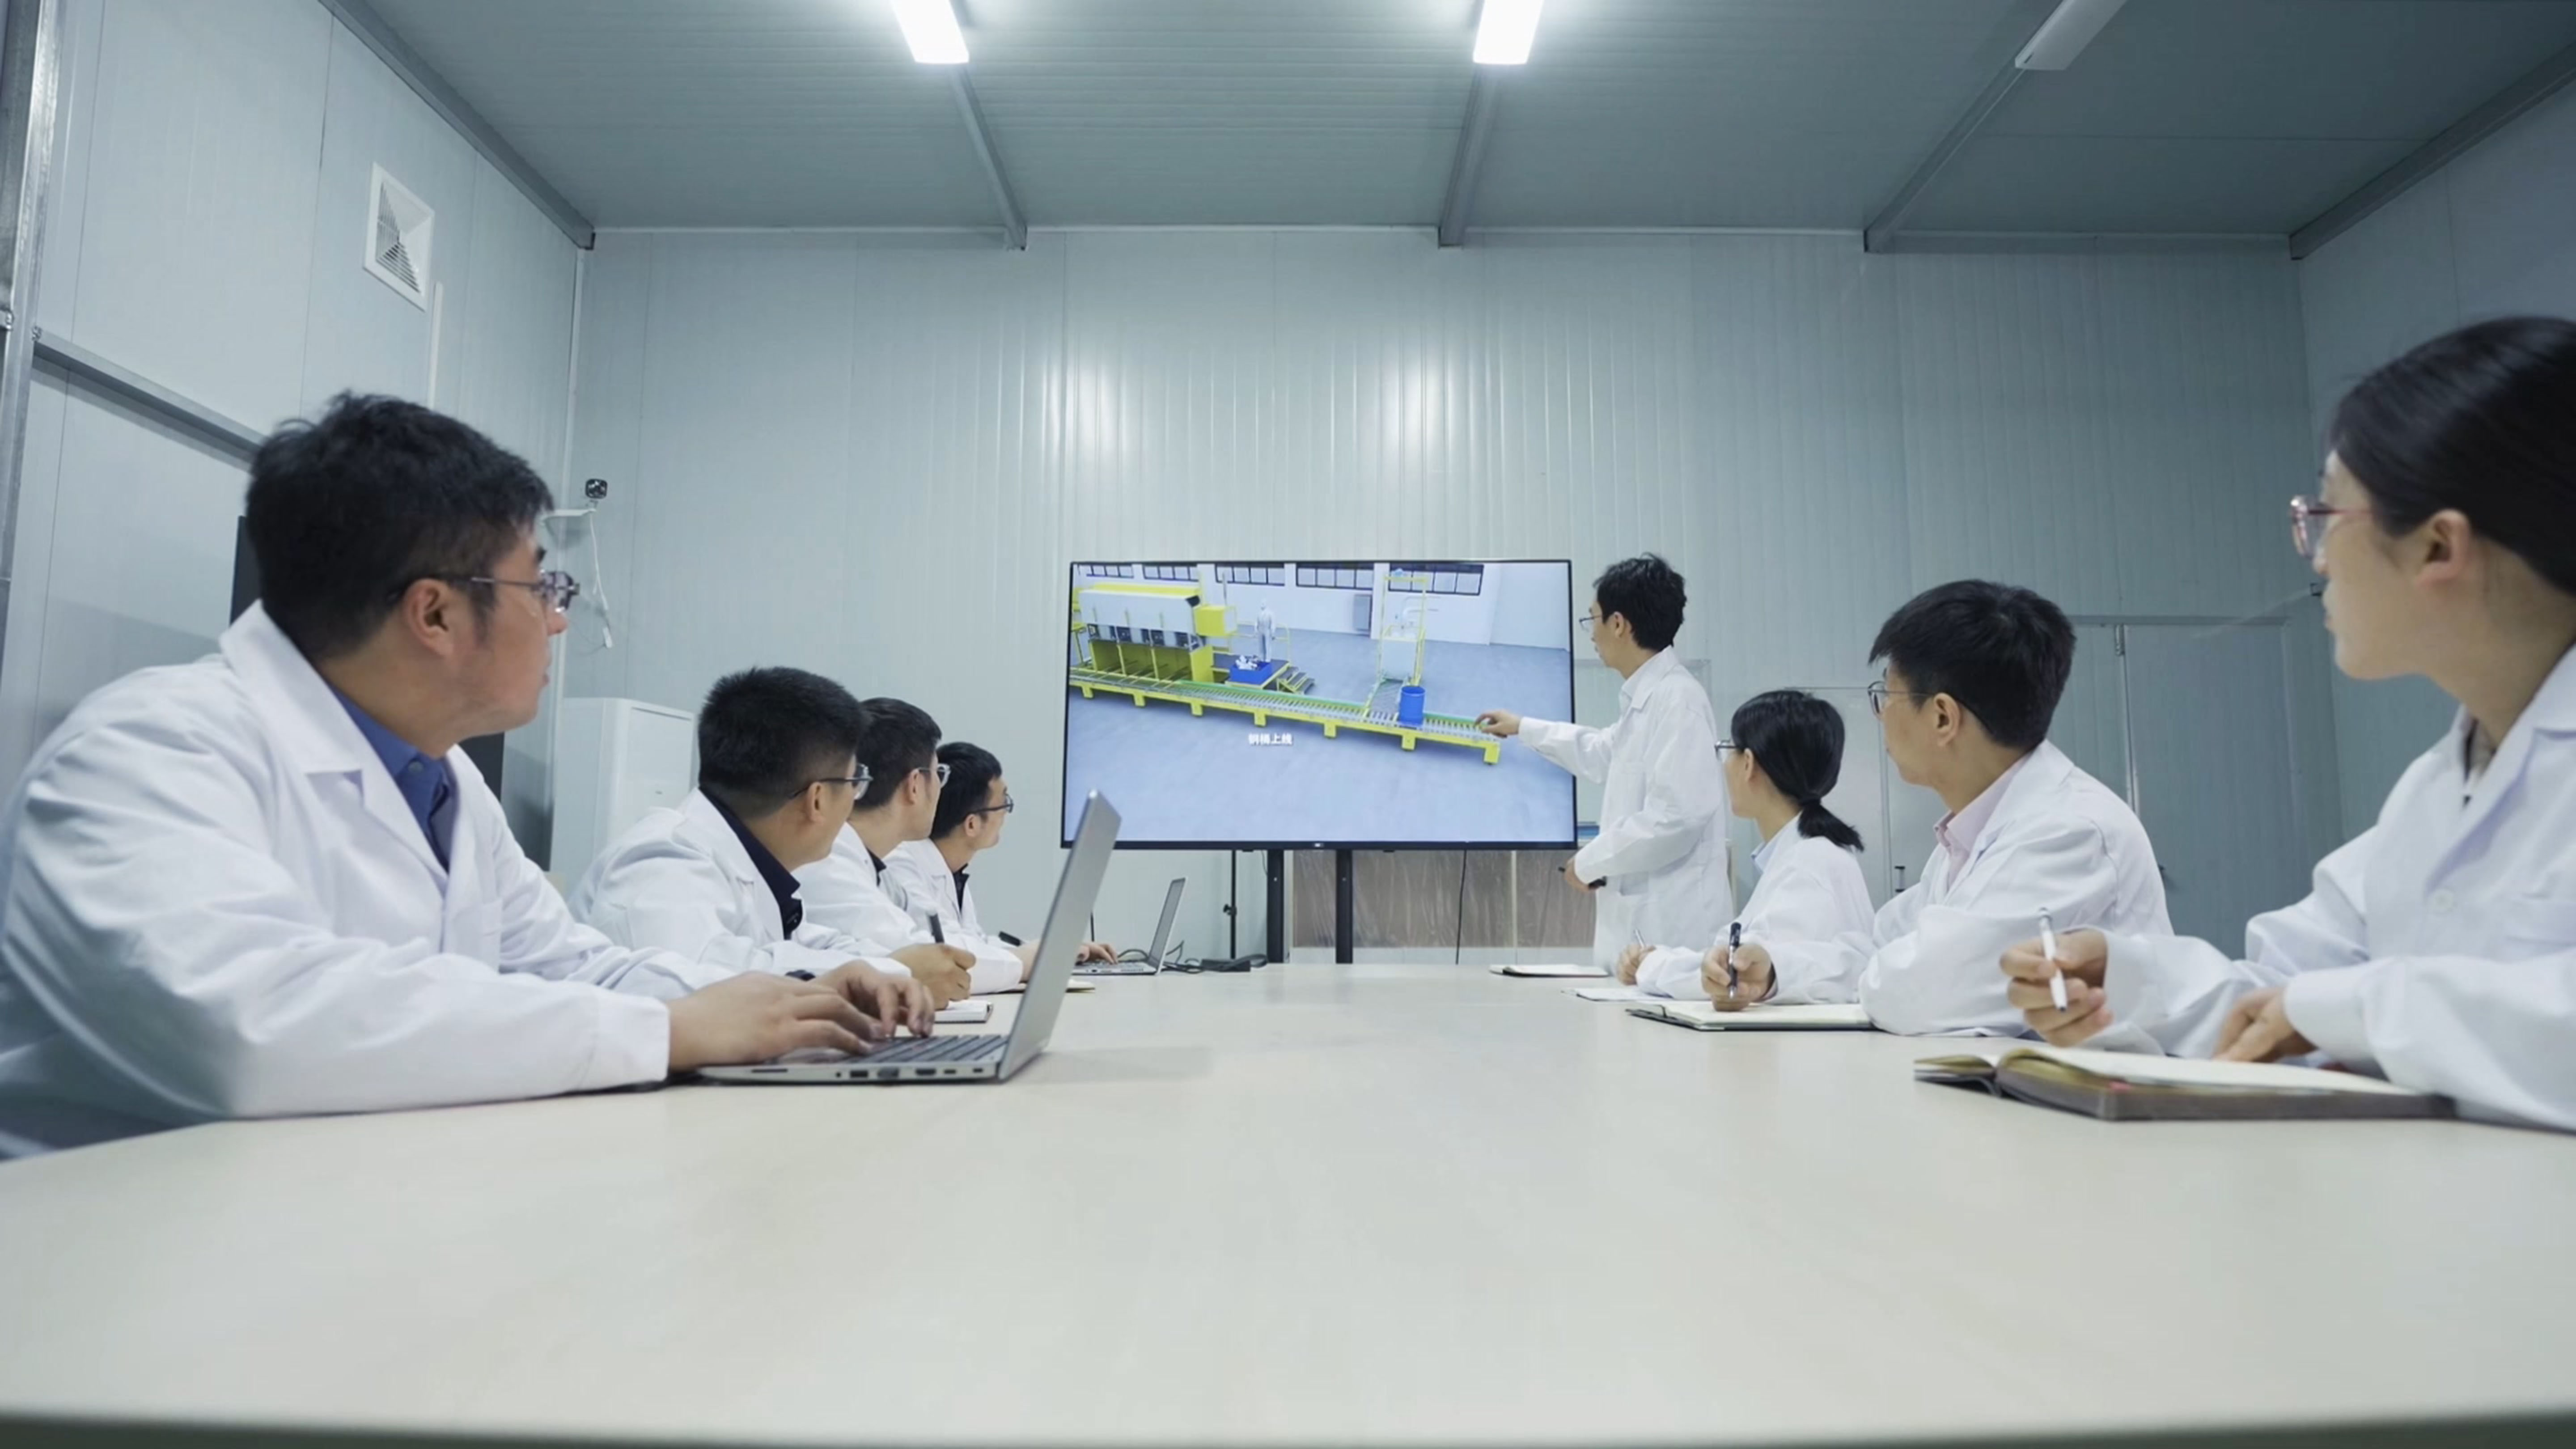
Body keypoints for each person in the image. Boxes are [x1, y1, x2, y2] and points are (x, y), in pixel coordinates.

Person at [0, 395, 920, 1157]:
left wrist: (802, 998)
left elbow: (571, 965)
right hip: (117, 1248)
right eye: (543, 589)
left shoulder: (443, 780)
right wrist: (669, 1031)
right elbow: (242, 1025)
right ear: (434, 615)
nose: (559, 622)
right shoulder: (149, 750)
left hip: (340, 1202)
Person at [2001, 317, 2576, 1131]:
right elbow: (2289, 997)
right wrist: (2124, 983)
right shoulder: (2439, 787)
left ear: (2437, 547)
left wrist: (2351, 1009)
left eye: (2327, 517)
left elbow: (2338, 1005)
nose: (2317, 557)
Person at [1735, 581, 2169, 1033]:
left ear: (1943, 717)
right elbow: (1878, 949)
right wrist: (1777, 971)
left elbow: (1923, 991)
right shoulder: (1969, 836)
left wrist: (1886, 971)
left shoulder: (2071, 831)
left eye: (1886, 697)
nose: (1881, 716)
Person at [568, 667, 962, 1004]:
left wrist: (889, 967)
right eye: (854, 783)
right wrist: (895, 972)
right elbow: (699, 986)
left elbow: (813, 946)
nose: (855, 801)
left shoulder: (753, 866)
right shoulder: (667, 861)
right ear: (818, 799)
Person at [1475, 555, 1733, 970]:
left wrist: (1590, 860)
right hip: (1644, 942)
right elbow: (1599, 752)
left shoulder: (1678, 701)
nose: (1591, 633)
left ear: (1618, 624)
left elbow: (1676, 819)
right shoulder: (1649, 699)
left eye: (1592, 619)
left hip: (1674, 936)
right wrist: (1523, 727)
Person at [1618, 691, 1874, 1004]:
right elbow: (1735, 959)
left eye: (1729, 750)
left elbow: (1738, 975)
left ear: (1749, 764)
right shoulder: (1809, 854)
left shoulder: (1809, 864)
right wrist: (1659, 959)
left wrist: (1651, 966)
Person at [797, 699, 1000, 997]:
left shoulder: (875, 863)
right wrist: (1024, 963)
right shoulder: (829, 863)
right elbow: (927, 960)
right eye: (939, 775)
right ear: (915, 784)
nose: (940, 789)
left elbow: (929, 946)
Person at [880, 741, 1115, 981]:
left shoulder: (950, 870)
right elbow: (948, 952)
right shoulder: (901, 866)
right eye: (1004, 804)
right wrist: (1034, 959)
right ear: (972, 824)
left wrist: (1052, 949)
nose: (1005, 814)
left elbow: (975, 942)